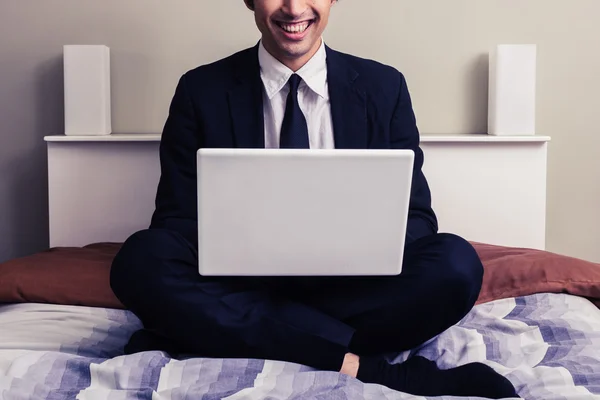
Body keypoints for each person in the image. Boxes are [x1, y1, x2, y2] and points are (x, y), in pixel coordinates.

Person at [110, 0, 519, 398]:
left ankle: (218, 332)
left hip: (352, 292)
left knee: (456, 264)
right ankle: (364, 366)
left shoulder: (384, 86)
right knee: (141, 261)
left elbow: (416, 216)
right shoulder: (201, 89)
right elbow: (176, 219)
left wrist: (367, 248)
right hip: (237, 284)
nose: (293, 8)